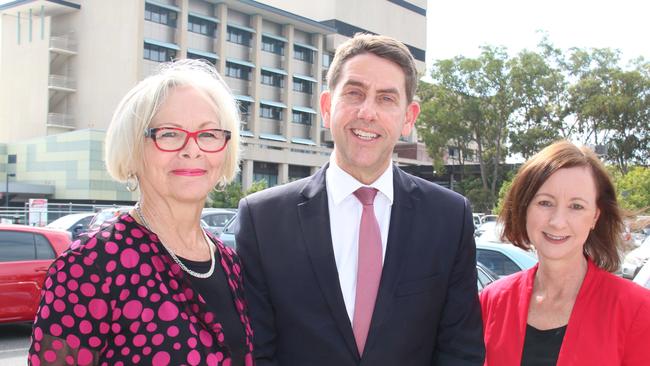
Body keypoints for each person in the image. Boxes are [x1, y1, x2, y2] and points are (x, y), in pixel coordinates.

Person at [236, 33, 485, 365]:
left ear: (409, 117)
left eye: (386, 98)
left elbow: (460, 350)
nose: (367, 112)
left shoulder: (449, 218)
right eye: (354, 93)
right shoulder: (263, 219)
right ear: (327, 107)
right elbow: (257, 352)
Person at [28, 59, 253, 365]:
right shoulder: (90, 266)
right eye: (170, 134)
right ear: (133, 149)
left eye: (208, 134)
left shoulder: (229, 263)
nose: (192, 149)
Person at [480, 140, 650, 365]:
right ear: (524, 208)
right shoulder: (491, 302)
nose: (558, 222)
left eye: (576, 206)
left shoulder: (637, 310)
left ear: (595, 217)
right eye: (545, 203)